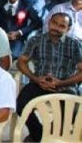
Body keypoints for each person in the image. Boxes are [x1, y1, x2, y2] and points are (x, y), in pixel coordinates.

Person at [16, 12, 82, 142]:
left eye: (61, 26)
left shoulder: (74, 44)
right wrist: (35, 78)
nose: (56, 27)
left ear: (68, 29)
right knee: (21, 106)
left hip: (65, 85)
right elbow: (21, 62)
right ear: (49, 22)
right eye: (54, 23)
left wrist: (61, 83)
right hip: (39, 82)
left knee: (74, 112)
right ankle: (40, 135)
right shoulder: (36, 40)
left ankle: (50, 133)